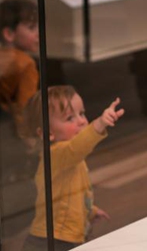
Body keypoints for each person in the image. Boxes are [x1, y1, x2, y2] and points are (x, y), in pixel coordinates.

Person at [21, 86, 124, 251]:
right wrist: (99, 123)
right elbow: (79, 146)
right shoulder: (55, 155)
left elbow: (73, 194)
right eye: (70, 118)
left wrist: (90, 210)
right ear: (47, 134)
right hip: (50, 241)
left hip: (64, 237)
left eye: (81, 113)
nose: (82, 121)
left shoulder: (71, 158)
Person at [0, 0, 40, 139]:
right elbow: (25, 108)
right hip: (6, 130)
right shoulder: (26, 65)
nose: (38, 33)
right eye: (31, 28)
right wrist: (30, 140)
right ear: (9, 34)